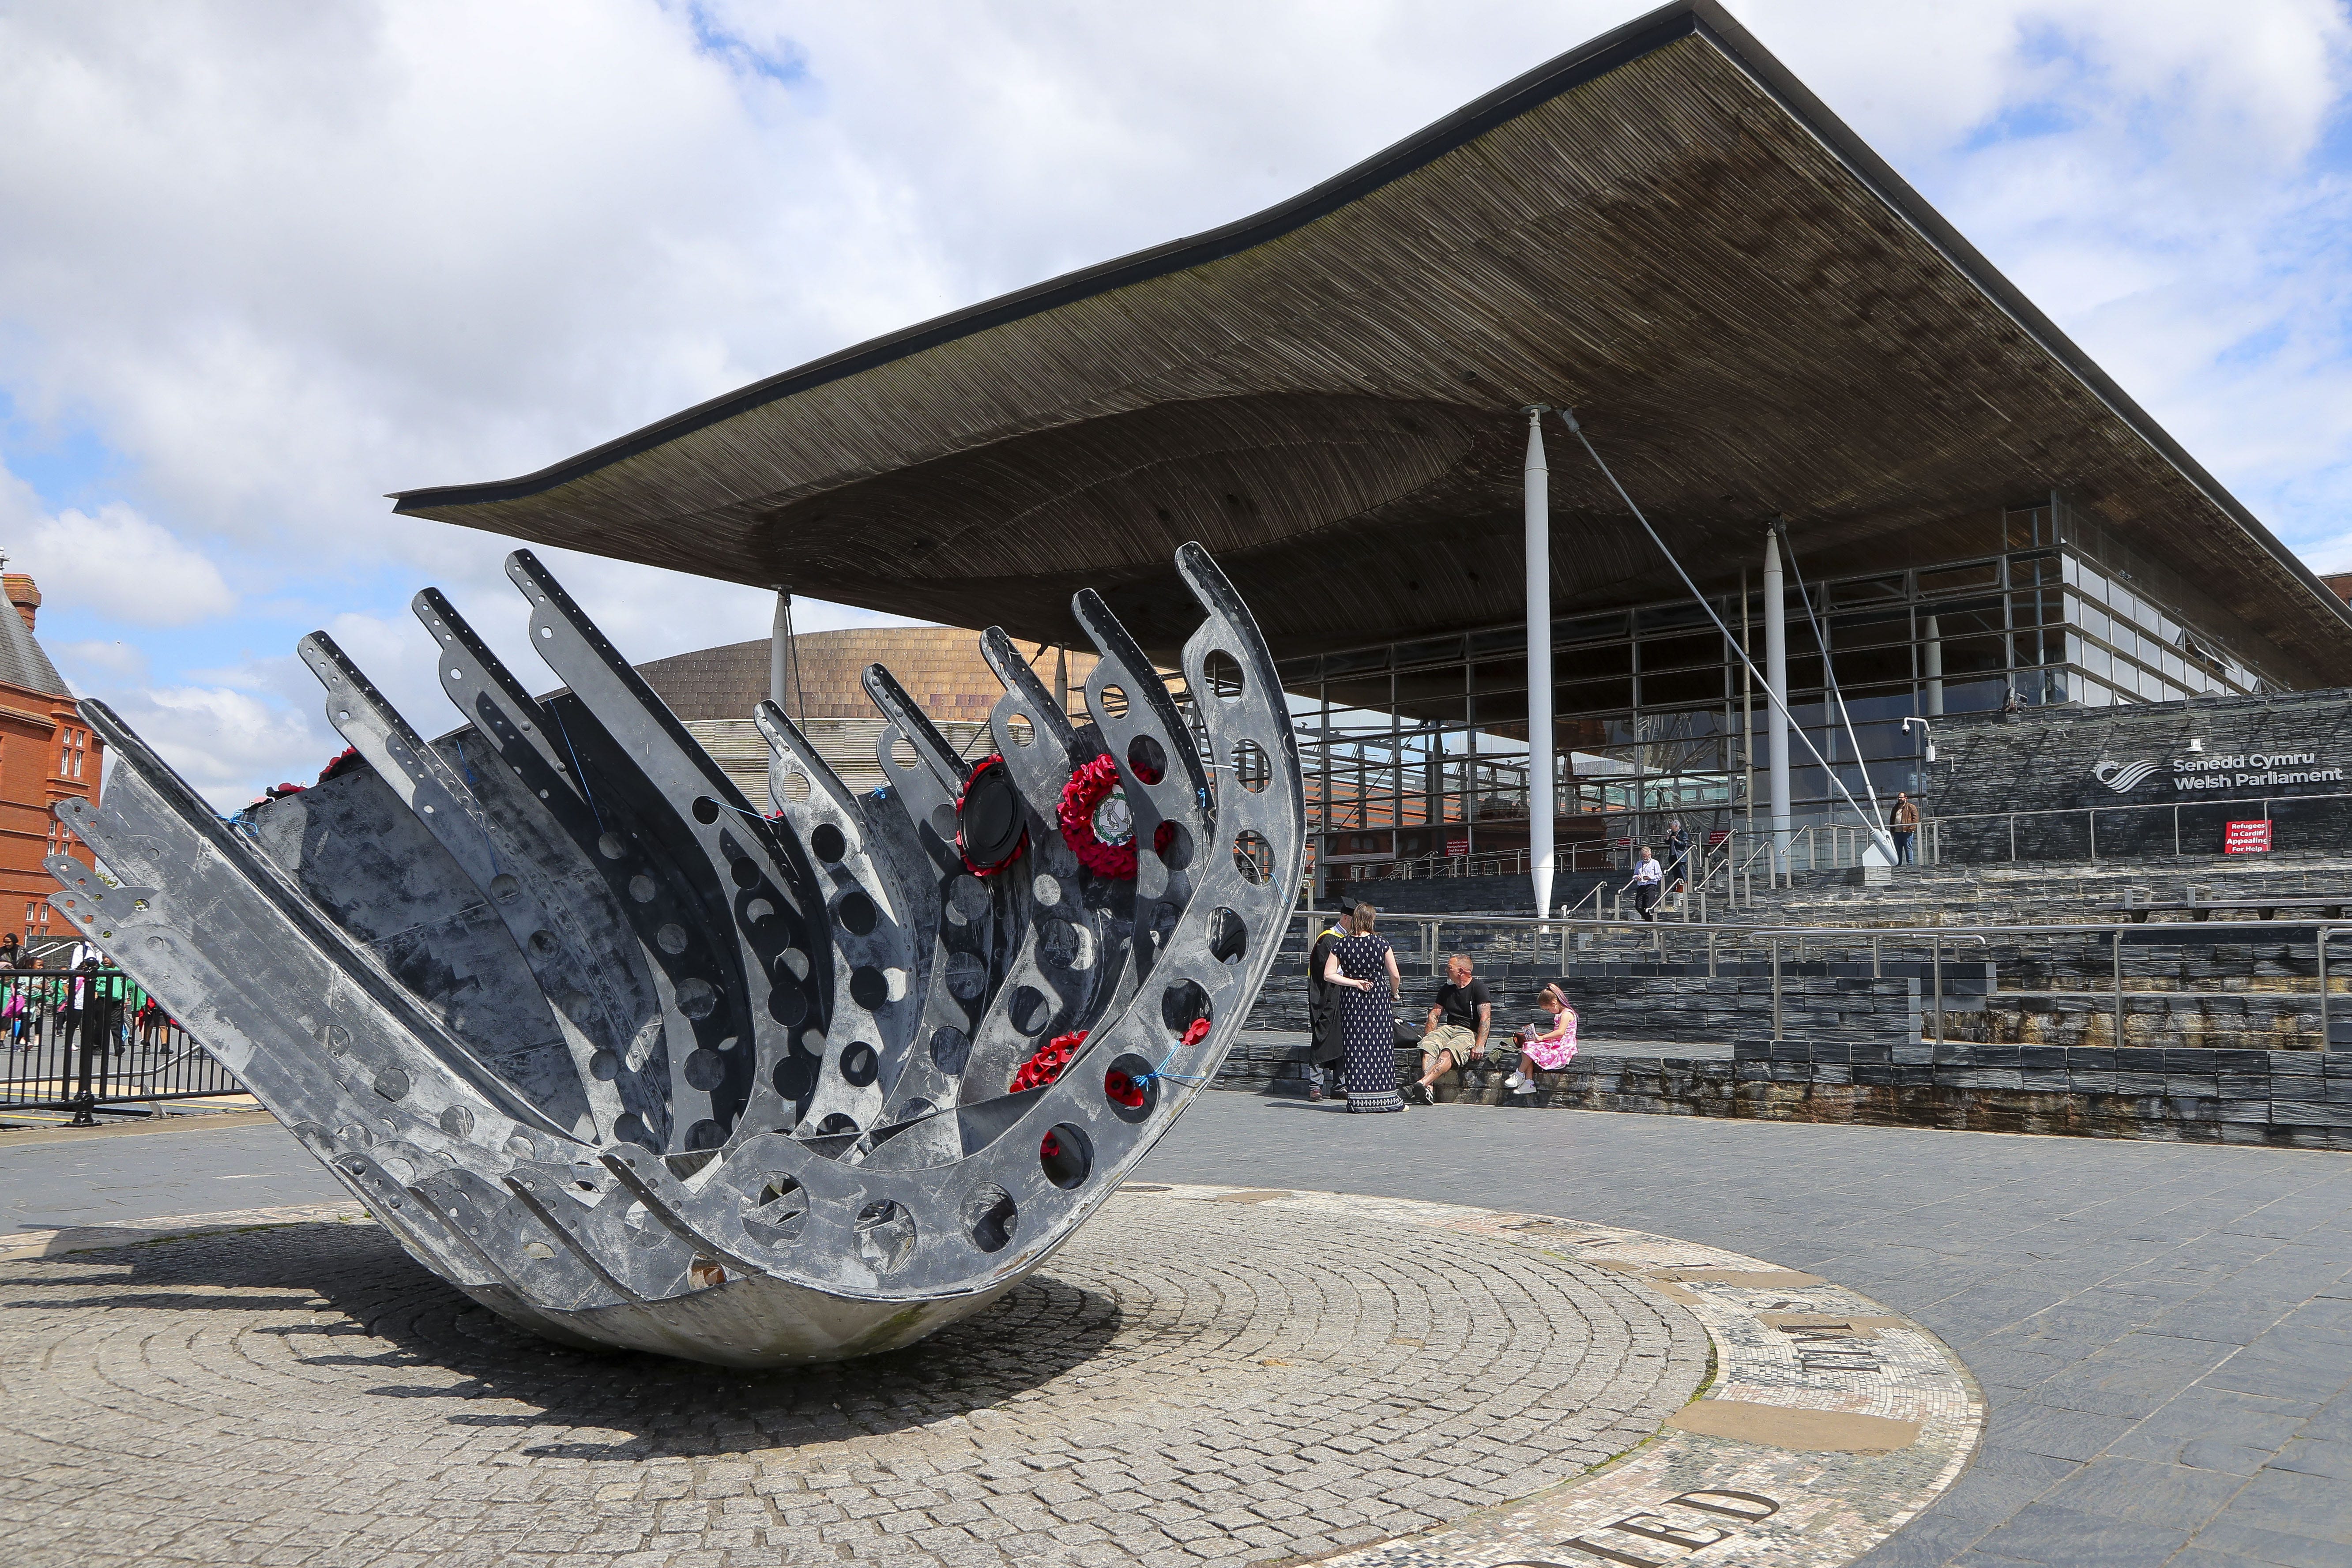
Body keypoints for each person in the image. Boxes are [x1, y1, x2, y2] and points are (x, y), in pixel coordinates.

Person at [1323, 900, 1404, 1114]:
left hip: (1352, 1002)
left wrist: (1354, 982)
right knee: (1380, 1048)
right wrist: (1394, 993)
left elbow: (1328, 974)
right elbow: (1395, 974)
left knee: (1356, 1047)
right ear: (1371, 920)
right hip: (1377, 1001)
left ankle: (1358, 1101)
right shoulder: (1381, 944)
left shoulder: (1342, 945)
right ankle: (1386, 1099)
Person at [1406, 954, 1490, 1105]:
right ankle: (1428, 1089)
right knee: (1429, 1045)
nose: (1446, 970)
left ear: (1461, 971)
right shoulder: (1447, 989)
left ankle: (1422, 1084)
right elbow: (1435, 1014)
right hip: (1449, 1028)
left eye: (1449, 968)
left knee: (1448, 1051)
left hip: (1468, 1031)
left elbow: (1485, 1018)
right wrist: (1429, 1036)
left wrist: (1480, 1045)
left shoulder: (1478, 987)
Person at [1304, 900, 1354, 1101]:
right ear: (1346, 918)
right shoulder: (1327, 940)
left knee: (1342, 1039)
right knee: (1322, 1038)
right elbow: (1325, 972)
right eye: (1355, 920)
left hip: (1342, 997)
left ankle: (1340, 1085)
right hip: (1326, 997)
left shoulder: (1347, 939)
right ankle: (1316, 1086)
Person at [1506, 983, 1579, 1094]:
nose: (1549, 1012)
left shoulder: (1567, 1014)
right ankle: (1528, 1082)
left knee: (1531, 1049)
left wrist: (1542, 1038)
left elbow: (1560, 1032)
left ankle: (1520, 1074)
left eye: (1548, 1009)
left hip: (1563, 1047)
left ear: (1554, 1004)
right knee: (1528, 1046)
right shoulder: (1560, 1014)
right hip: (1557, 1043)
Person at [1626, 845, 1663, 922]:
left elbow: (1660, 875)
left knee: (1648, 906)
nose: (1645, 858)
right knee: (1638, 906)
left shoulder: (1655, 863)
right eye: (1644, 856)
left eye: (1647, 856)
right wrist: (1637, 877)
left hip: (1650, 886)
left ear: (1650, 855)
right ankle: (1649, 921)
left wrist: (1650, 878)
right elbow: (1635, 875)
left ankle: (1649, 923)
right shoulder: (1639, 864)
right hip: (1641, 886)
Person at [1890, 792, 1920, 865]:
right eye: (1899, 798)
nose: (1900, 799)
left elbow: (1916, 819)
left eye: (1901, 797)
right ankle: (1898, 864)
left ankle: (1910, 864)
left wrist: (1911, 829)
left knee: (1908, 847)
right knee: (1898, 849)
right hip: (1897, 832)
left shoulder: (1911, 807)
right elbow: (1892, 819)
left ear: (1906, 798)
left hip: (1907, 832)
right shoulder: (1895, 808)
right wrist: (1892, 830)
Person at [1663, 820, 1691, 894]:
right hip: (1673, 856)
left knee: (1681, 872)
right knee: (1675, 873)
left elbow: (1684, 844)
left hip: (1680, 856)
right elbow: (1667, 842)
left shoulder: (1683, 834)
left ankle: (1684, 887)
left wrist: (1676, 840)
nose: (1671, 829)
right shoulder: (1673, 833)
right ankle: (1677, 887)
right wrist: (1668, 835)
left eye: (1672, 827)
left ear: (1677, 826)